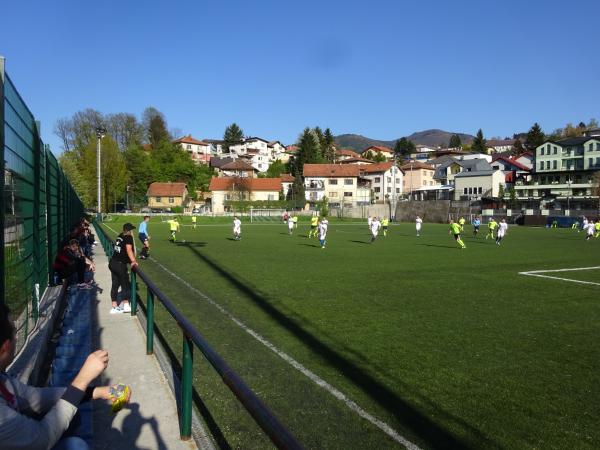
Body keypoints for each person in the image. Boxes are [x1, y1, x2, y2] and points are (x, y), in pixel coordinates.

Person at [0, 304, 131, 450]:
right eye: (14, 333)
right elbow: (43, 440)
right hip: (40, 441)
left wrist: (101, 392)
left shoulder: (4, 380)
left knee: (71, 414)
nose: (16, 337)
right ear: (5, 347)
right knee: (76, 446)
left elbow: (37, 397)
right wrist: (83, 378)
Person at [108, 223, 138, 314]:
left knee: (115, 284)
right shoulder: (128, 237)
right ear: (129, 231)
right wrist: (133, 261)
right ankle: (126, 305)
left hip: (113, 262)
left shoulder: (120, 235)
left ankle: (114, 306)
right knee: (125, 285)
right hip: (120, 265)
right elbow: (128, 249)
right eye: (131, 230)